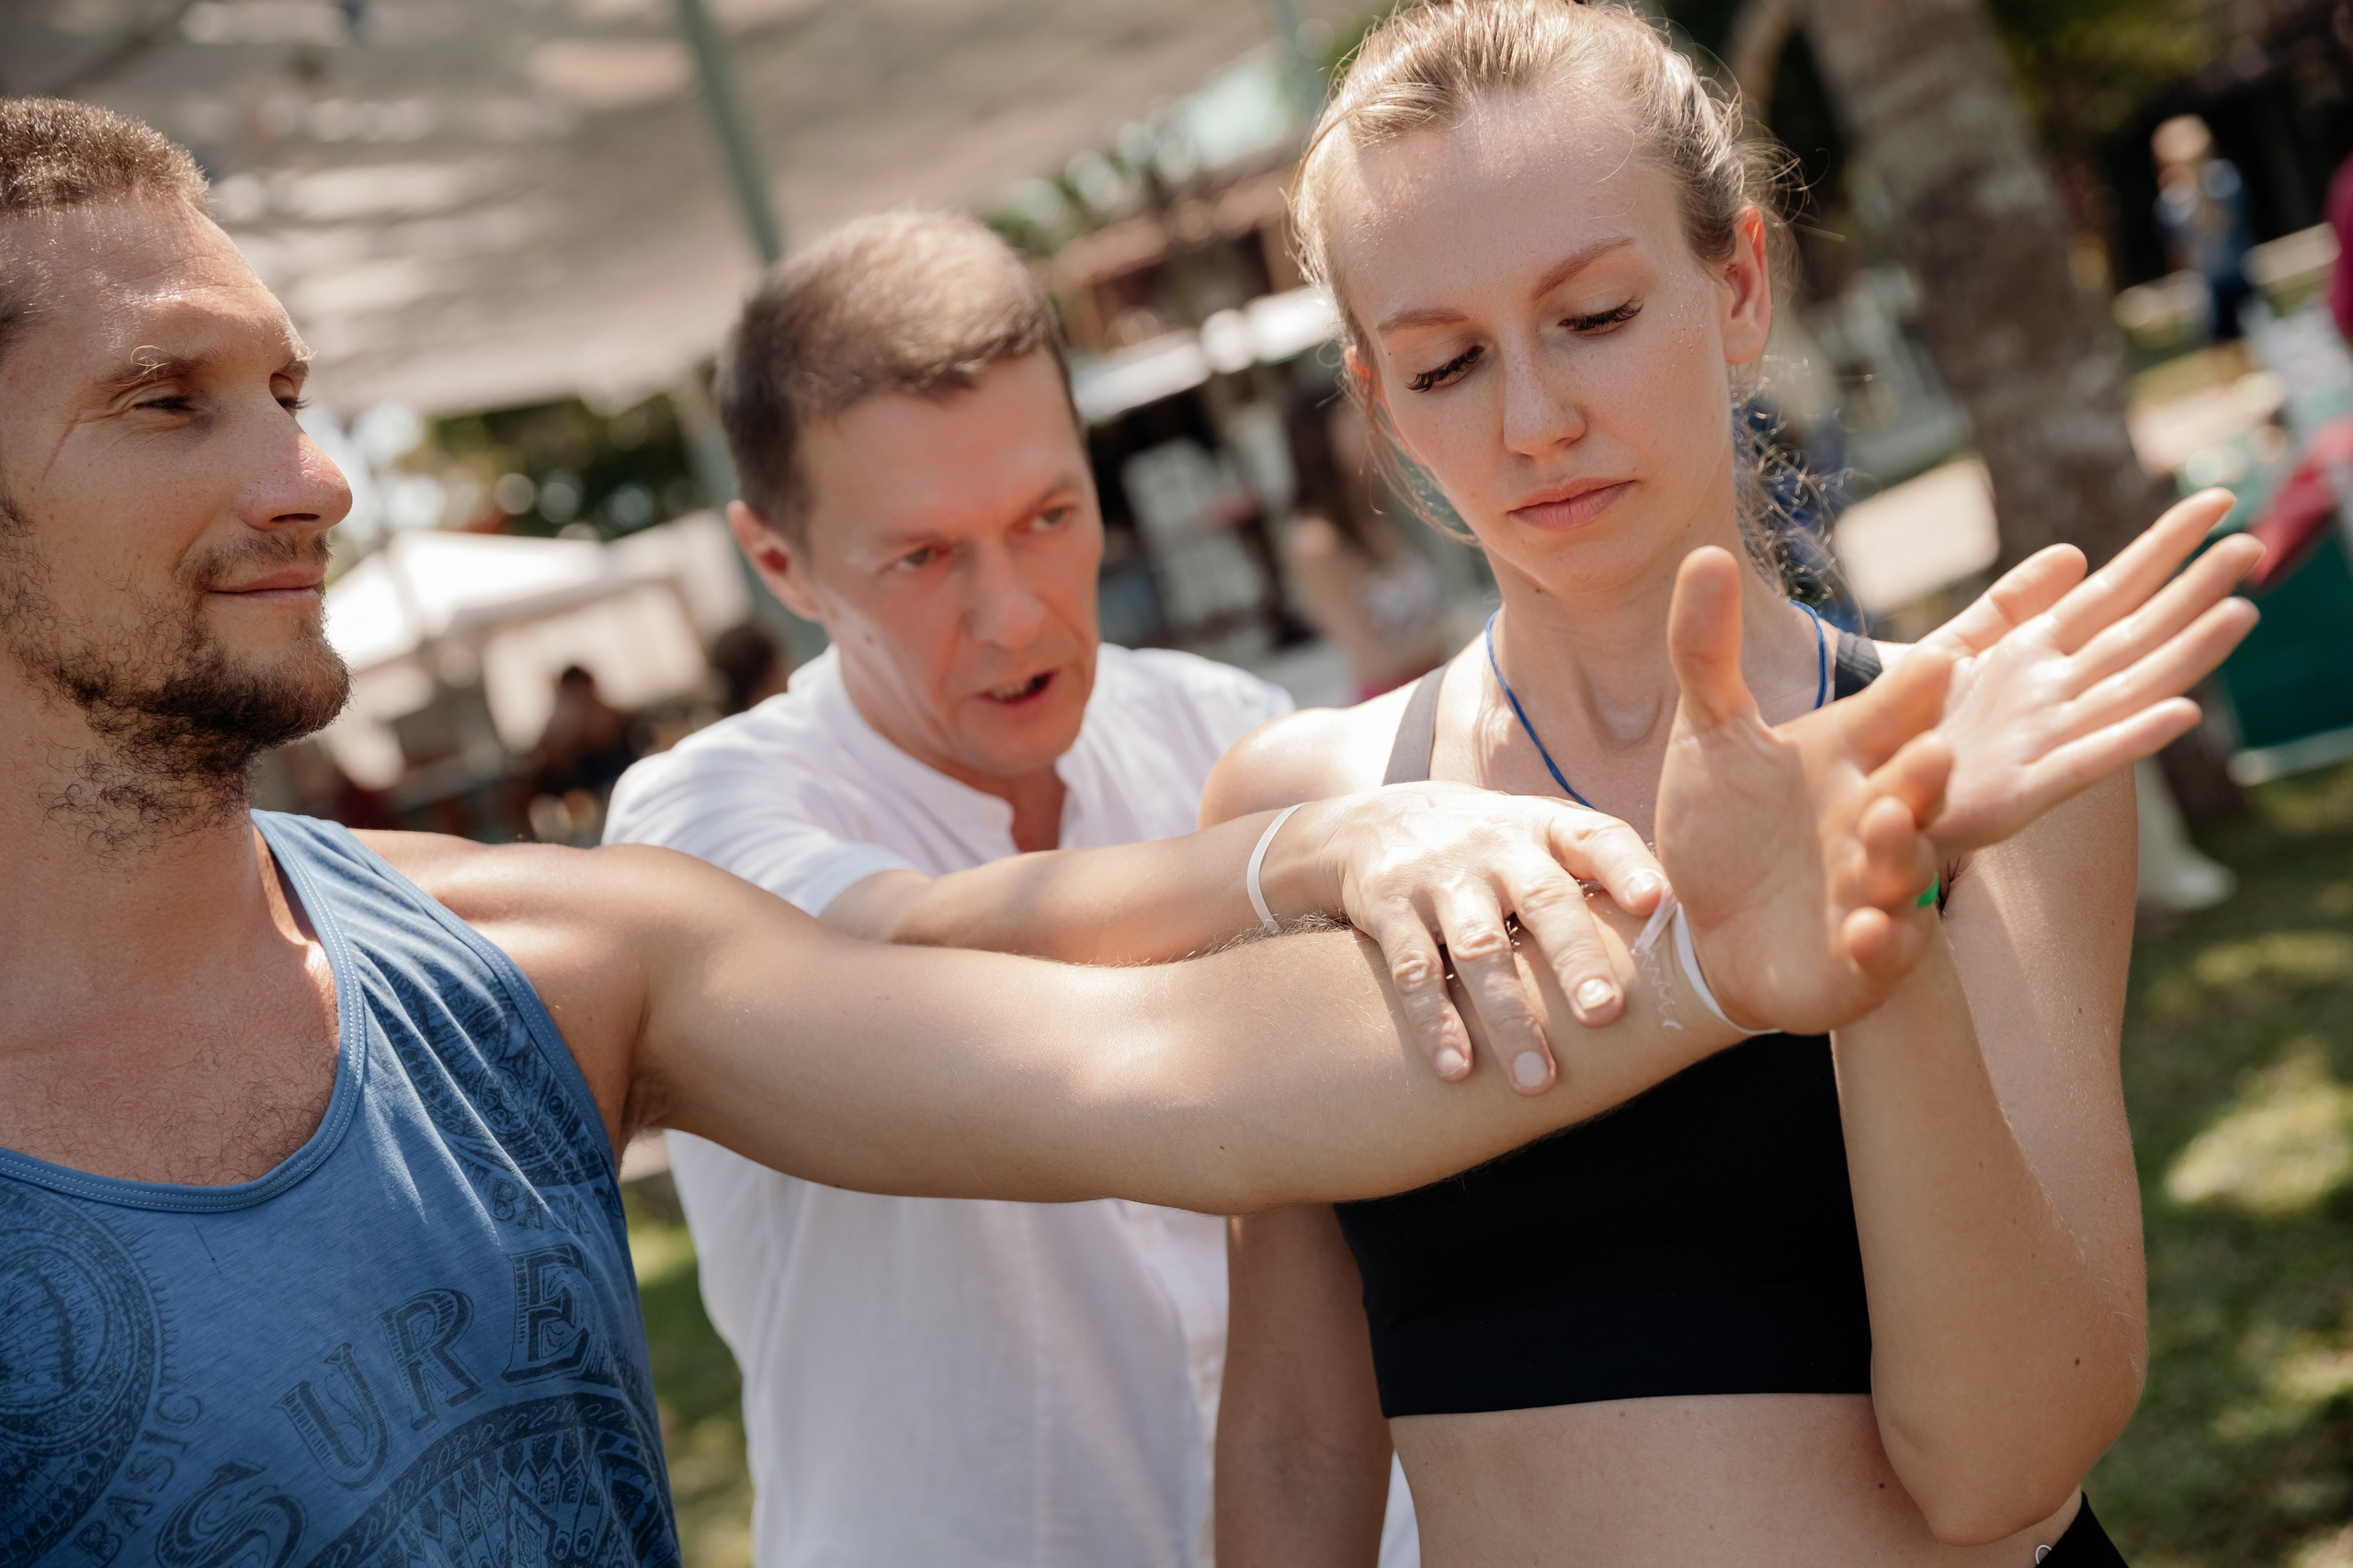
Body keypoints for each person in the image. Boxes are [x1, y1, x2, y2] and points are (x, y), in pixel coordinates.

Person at [0, 96, 2246, 1568]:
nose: (313, 473)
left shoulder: (527, 968)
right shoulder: (733, 827)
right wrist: (1310, 859)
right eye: (173, 398)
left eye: (293, 387)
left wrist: (1741, 947)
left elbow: (1182, 1081)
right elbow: (964, 946)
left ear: (1733, 283)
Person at [1205, 6, 2262, 1565]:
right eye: (1444, 362)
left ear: (1740, 282)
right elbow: (1299, 1437)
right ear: (1378, 401)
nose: (1531, 420)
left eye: (1595, 315)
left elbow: (2005, 1471)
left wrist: (1878, 907)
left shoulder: (1972, 761)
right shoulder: (1303, 817)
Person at [1279, 380, 1455, 701]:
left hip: (1442, 692)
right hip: (1392, 707)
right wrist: (1457, 636)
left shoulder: (1372, 515)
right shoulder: (1315, 542)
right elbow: (1372, 660)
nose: (1373, 429)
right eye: (1355, 420)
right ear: (1318, 440)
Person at [2152, 114, 2254, 343]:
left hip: (2236, 273)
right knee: (2218, 344)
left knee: (2251, 335)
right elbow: (2176, 248)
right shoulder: (2171, 202)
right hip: (2203, 286)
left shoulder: (2223, 178)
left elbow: (2223, 224)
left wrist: (2199, 188)